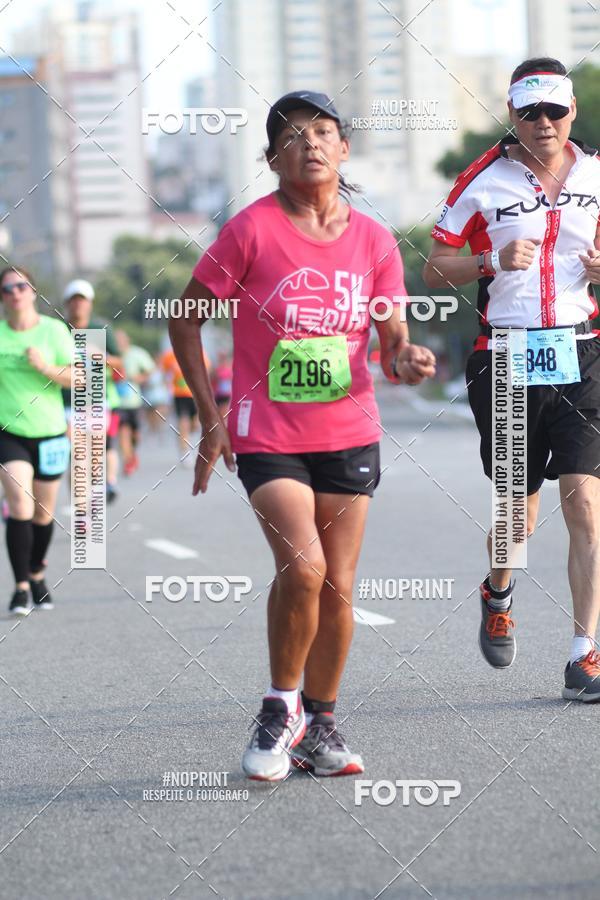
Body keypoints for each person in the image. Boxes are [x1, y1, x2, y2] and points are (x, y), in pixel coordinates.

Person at [169, 90, 436, 781]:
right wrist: (210, 413)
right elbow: (185, 316)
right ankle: (277, 708)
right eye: (292, 135)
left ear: (343, 149)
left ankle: (321, 724)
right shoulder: (250, 232)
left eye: (323, 131)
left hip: (349, 429)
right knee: (305, 568)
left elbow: (392, 337)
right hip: (268, 431)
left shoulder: (375, 241)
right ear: (272, 159)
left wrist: (405, 360)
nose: (309, 143)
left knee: (340, 587)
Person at [423, 57, 600, 700]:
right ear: (513, 116)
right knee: (517, 517)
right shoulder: (483, 182)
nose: (544, 122)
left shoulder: (599, 174)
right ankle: (498, 589)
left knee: (584, 502)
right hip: (506, 357)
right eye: (531, 112)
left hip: (583, 354)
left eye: (555, 110)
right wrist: (486, 259)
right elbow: (433, 270)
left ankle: (585, 653)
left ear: (573, 111)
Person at [0, 267, 72, 614]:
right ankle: (20, 588)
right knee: (20, 506)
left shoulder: (54, 331)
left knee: (44, 514)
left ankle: (38, 573)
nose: (15, 293)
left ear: (33, 292)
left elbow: (78, 378)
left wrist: (45, 367)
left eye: (21, 286)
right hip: (8, 432)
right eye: (7, 289)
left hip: (50, 432)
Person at [62, 279, 123, 503]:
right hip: (67, 404)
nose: (78, 305)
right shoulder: (59, 329)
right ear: (67, 303)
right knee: (77, 458)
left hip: (96, 401)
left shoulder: (101, 328)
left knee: (95, 458)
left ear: (90, 303)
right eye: (74, 300)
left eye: (83, 300)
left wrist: (102, 357)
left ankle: (96, 494)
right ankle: (81, 512)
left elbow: (119, 361)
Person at [160, 344, 209, 466]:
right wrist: (167, 386)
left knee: (195, 424)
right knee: (183, 422)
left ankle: (188, 436)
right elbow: (165, 373)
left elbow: (206, 369)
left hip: (195, 393)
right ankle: (185, 451)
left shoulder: (198, 351)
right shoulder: (169, 355)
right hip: (179, 394)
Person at [114, 329, 155, 476]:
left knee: (135, 435)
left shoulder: (137, 353)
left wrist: (138, 378)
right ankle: (128, 461)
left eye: (121, 340)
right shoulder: (111, 355)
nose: (119, 343)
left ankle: (132, 453)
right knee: (122, 432)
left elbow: (150, 370)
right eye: (116, 340)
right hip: (117, 403)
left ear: (127, 340)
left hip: (134, 402)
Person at [211, 349, 233, 417]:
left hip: (226, 395)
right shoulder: (216, 370)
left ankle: (224, 424)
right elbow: (212, 381)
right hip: (218, 395)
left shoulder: (229, 369)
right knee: (219, 412)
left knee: (224, 411)